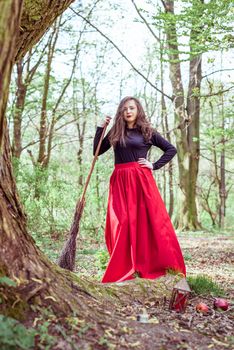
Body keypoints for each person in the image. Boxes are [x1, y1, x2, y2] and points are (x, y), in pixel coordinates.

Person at [93, 96, 186, 283]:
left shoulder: (147, 131)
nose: (128, 111)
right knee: (122, 222)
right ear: (121, 111)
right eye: (125, 108)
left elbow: (171, 149)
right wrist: (101, 128)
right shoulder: (116, 131)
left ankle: (151, 262)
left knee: (147, 221)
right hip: (119, 180)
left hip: (141, 180)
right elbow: (96, 150)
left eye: (132, 108)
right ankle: (125, 264)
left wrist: (154, 165)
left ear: (138, 110)